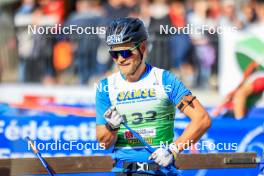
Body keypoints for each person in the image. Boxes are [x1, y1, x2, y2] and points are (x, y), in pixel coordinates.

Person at [96, 17, 211, 175]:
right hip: (124, 171)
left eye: (126, 52)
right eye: (114, 54)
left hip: (159, 171)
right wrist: (112, 127)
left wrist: (173, 150)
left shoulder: (164, 80)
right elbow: (104, 143)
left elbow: (202, 119)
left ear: (142, 48)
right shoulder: (105, 87)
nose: (120, 59)